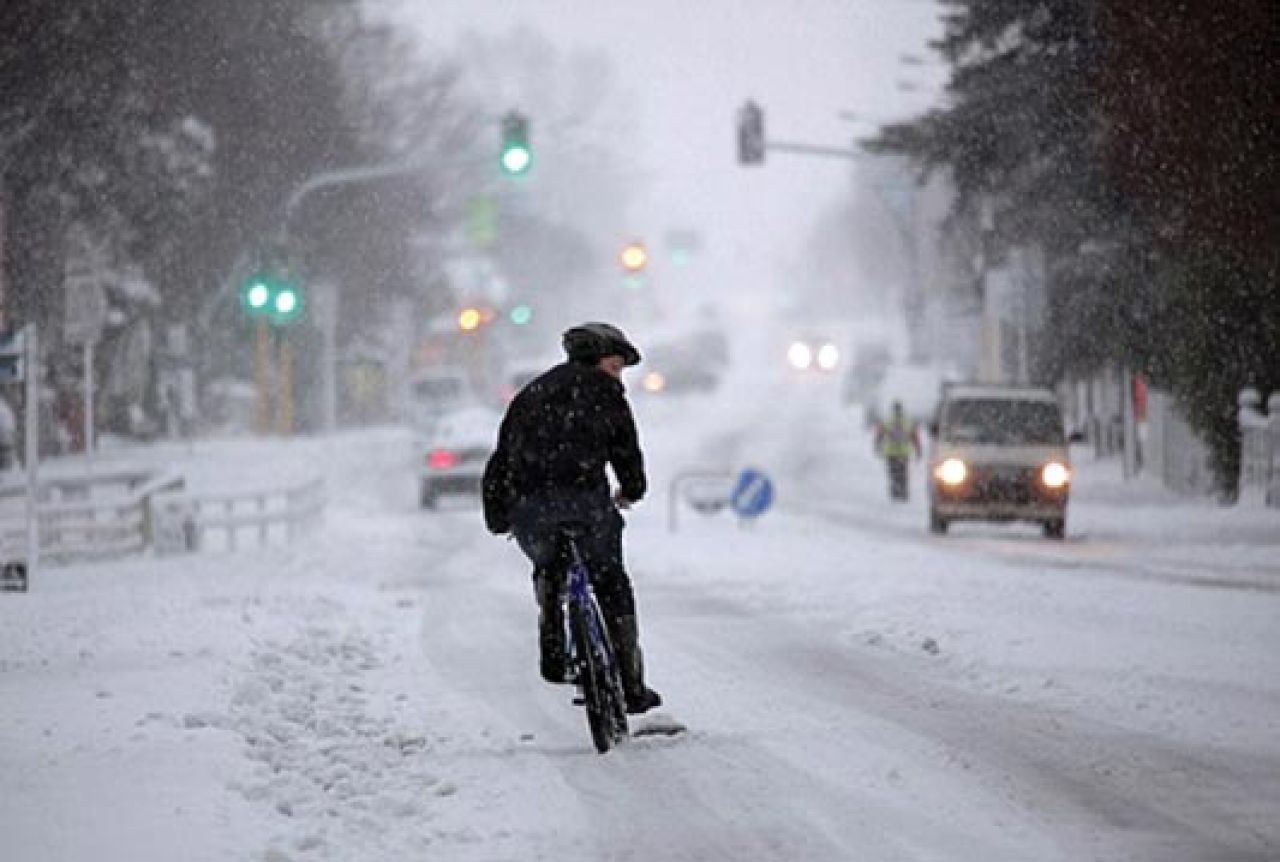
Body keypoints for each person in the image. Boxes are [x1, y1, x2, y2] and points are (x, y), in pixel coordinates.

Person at [482, 322, 662, 715]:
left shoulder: (531, 394)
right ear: (598, 359)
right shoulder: (605, 393)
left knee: (550, 565)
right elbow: (626, 451)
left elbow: (502, 457)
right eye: (616, 366)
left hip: (532, 511)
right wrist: (630, 490)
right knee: (610, 581)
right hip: (586, 505)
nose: (618, 376)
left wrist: (500, 516)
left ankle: (552, 633)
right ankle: (631, 686)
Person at [874, 400, 922, 501]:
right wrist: (918, 450)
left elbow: (879, 435)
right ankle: (903, 493)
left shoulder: (887, 421)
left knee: (893, 474)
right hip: (903, 453)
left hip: (891, 453)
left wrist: (877, 446)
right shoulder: (907, 421)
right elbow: (915, 437)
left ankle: (895, 492)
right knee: (903, 474)